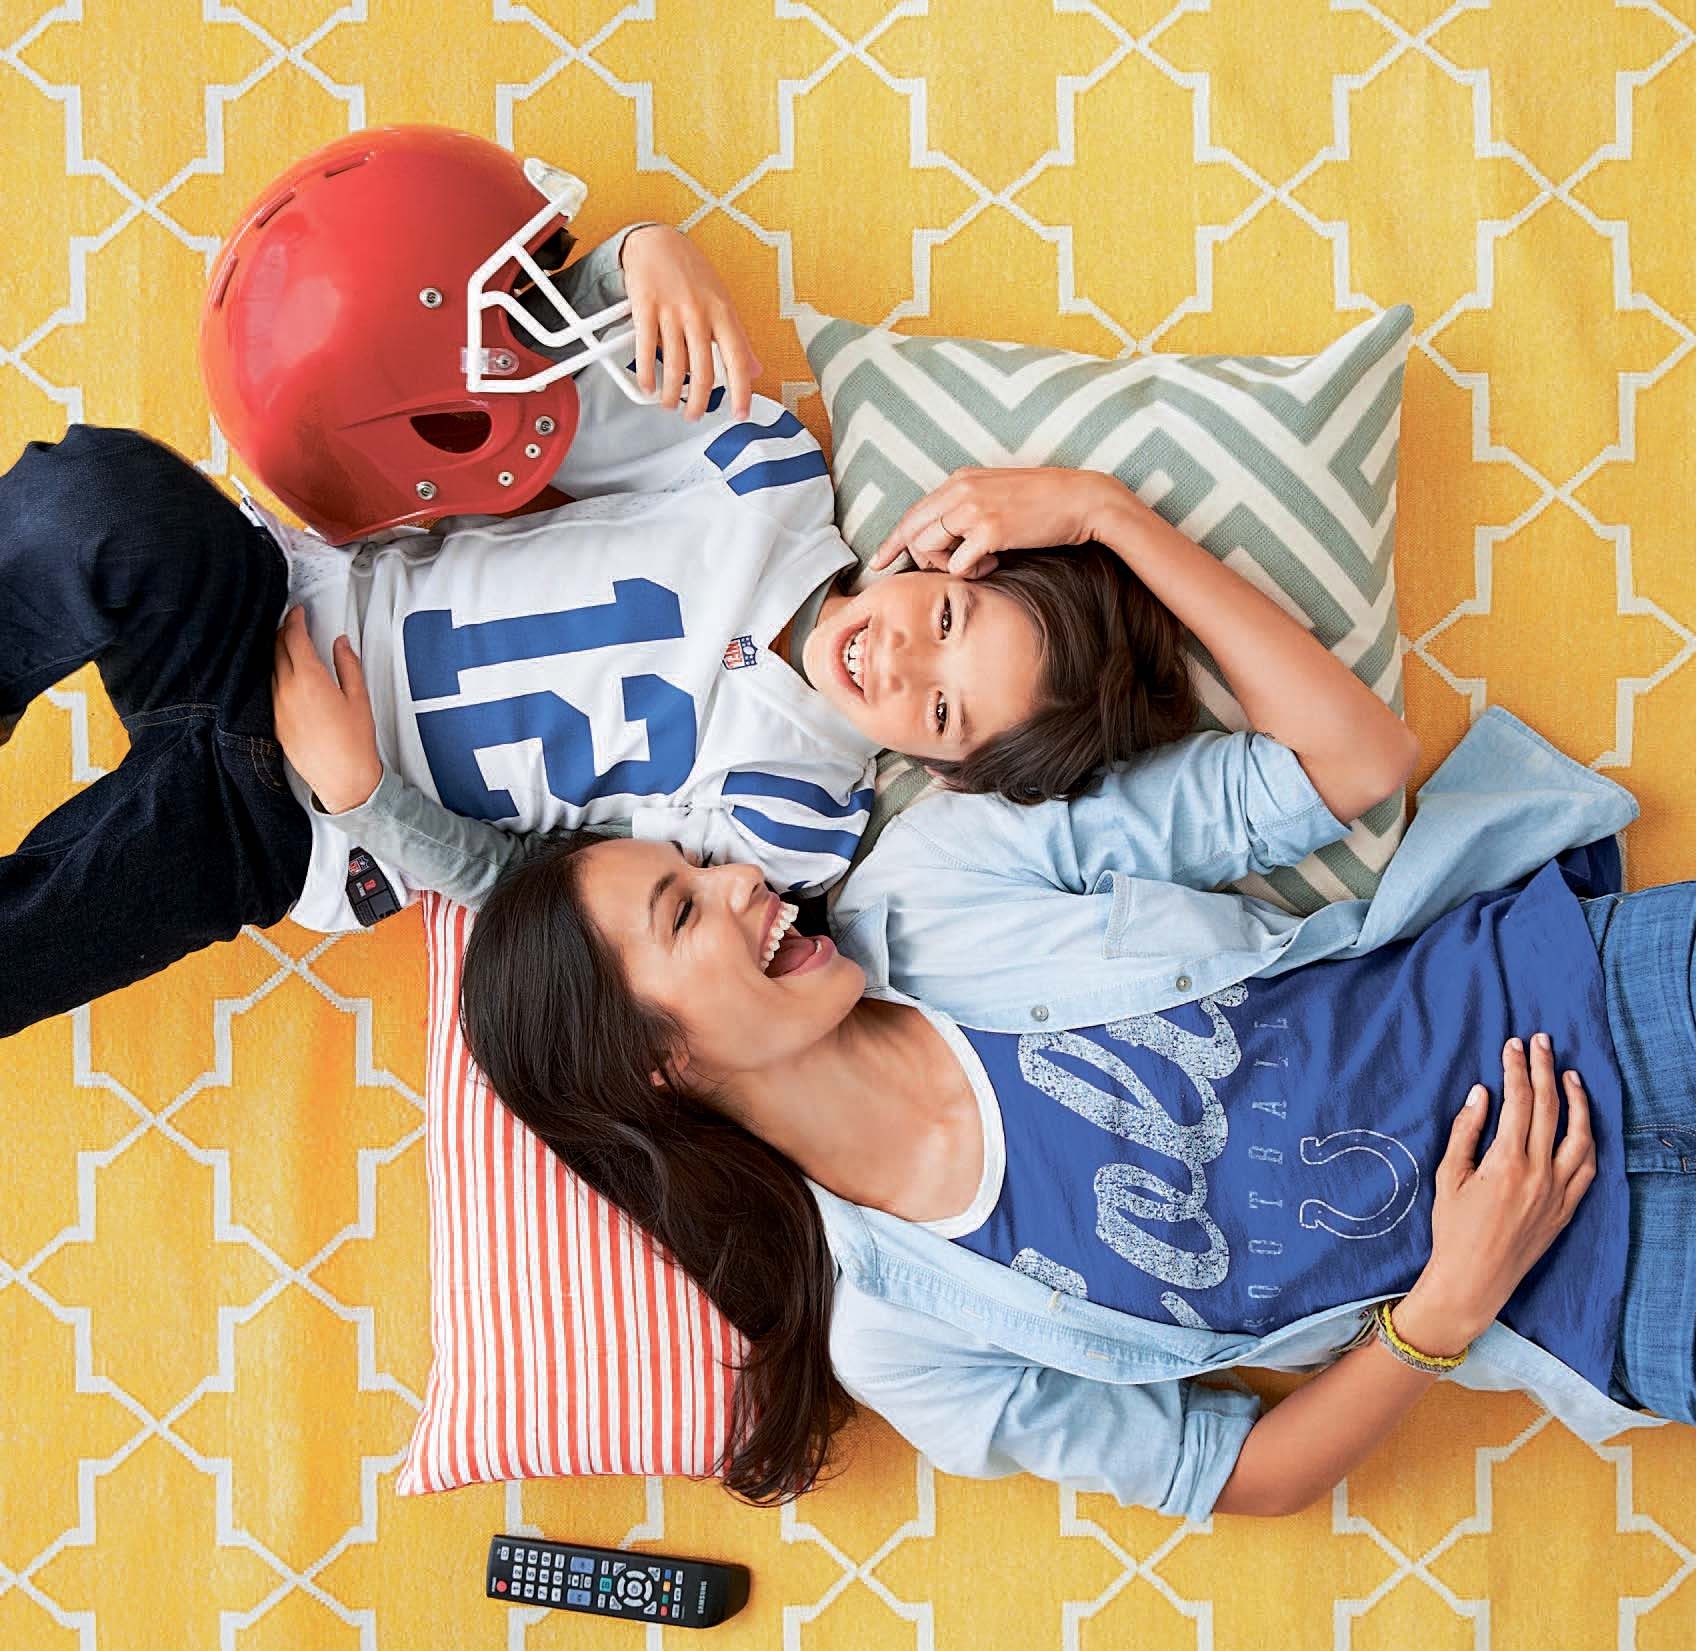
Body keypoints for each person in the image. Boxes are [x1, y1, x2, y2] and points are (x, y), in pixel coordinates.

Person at [303, 478, 1696, 1518]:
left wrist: (1106, 516)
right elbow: (1239, 1472)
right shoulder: (904, 1333)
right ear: (657, 1063)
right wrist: (1439, 1310)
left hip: (1615, 1003)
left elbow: (1351, 763)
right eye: (685, 910)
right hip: (1612, 1288)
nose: (744, 883)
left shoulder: (940, 872)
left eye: (702, 864)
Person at [0, 134, 1201, 1037]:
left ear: (946, 769)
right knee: (103, 496)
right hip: (274, 598)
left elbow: (546, 903)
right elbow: (527, 363)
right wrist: (642, 255)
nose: (898, 660)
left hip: (297, 813)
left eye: (943, 708)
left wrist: (366, 794)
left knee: (86, 902)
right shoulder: (763, 475)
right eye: (947, 621)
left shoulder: (791, 822)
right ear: (946, 558)